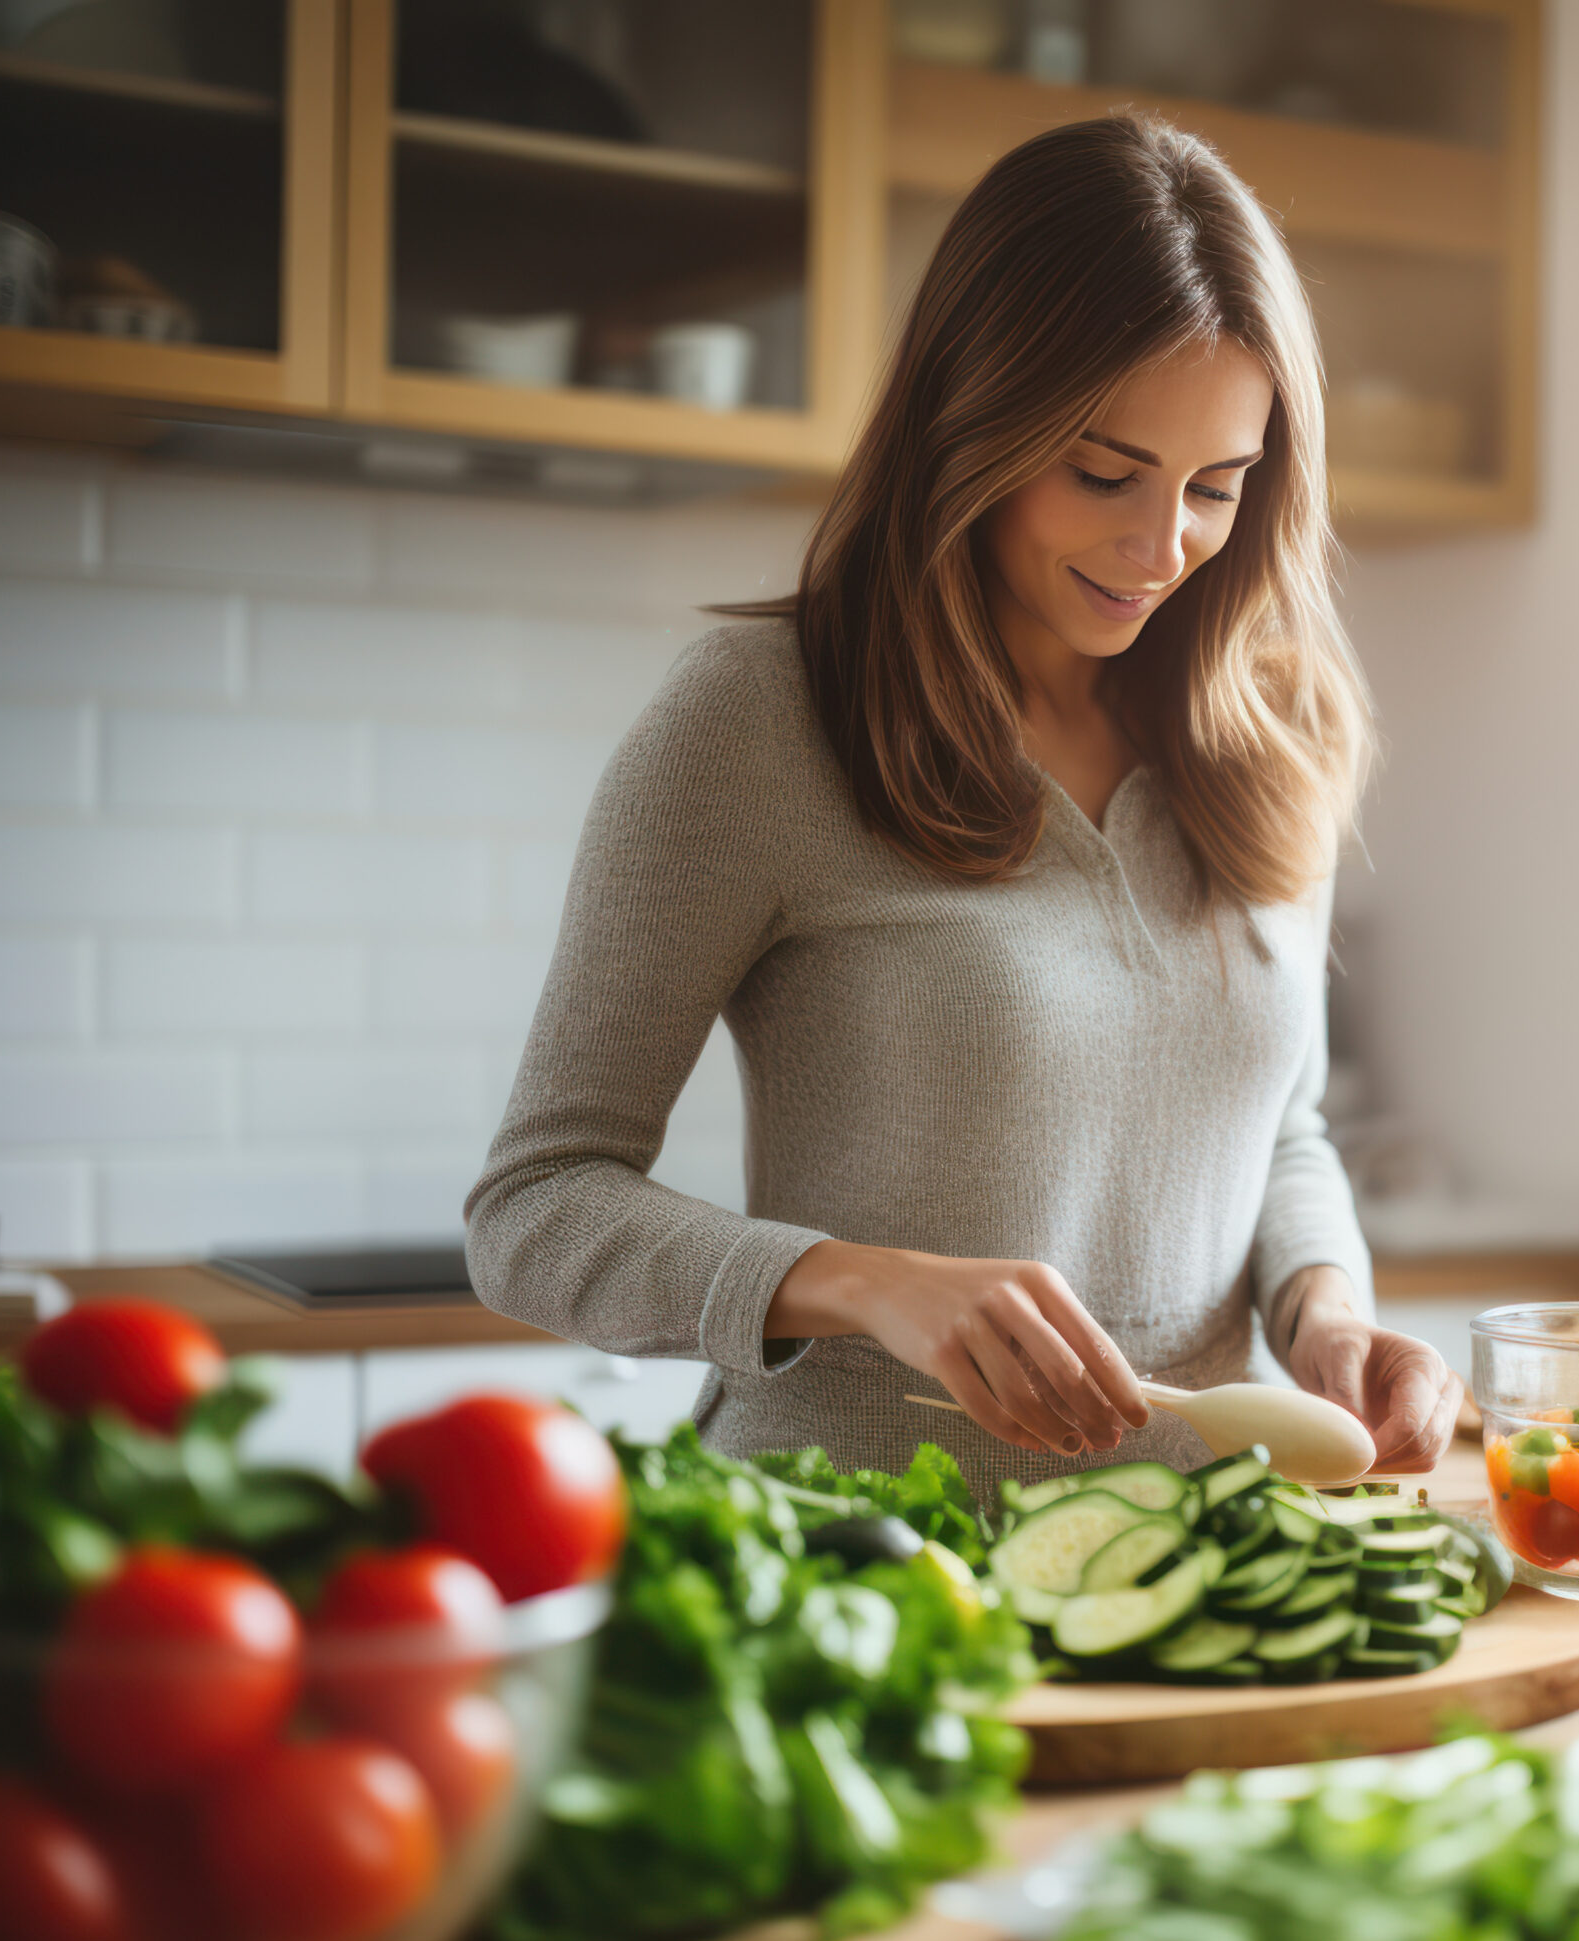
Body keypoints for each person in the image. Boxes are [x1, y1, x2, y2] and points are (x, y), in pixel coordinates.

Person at [464, 115, 1462, 1489]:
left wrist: (1328, 1315)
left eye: (1217, 488)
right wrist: (866, 1283)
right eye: (1103, 474)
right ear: (972, 420)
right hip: (867, 1570)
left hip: (1200, 1575)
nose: (1160, 545)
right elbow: (534, 1210)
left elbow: (1276, 1129)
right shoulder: (758, 719)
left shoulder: (1274, 731)